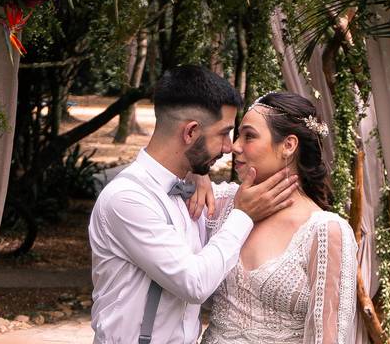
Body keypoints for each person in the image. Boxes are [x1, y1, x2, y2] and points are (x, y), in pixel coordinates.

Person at [89, 66, 298, 344]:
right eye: (224, 134)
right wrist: (243, 215)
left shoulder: (192, 191)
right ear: (190, 133)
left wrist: (200, 173)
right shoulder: (127, 199)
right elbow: (195, 283)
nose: (229, 147)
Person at [198, 91, 358, 344]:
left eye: (249, 136)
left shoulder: (326, 232)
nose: (235, 146)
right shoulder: (222, 203)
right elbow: (160, 178)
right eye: (238, 135)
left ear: (288, 145)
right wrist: (197, 173)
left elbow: (329, 338)